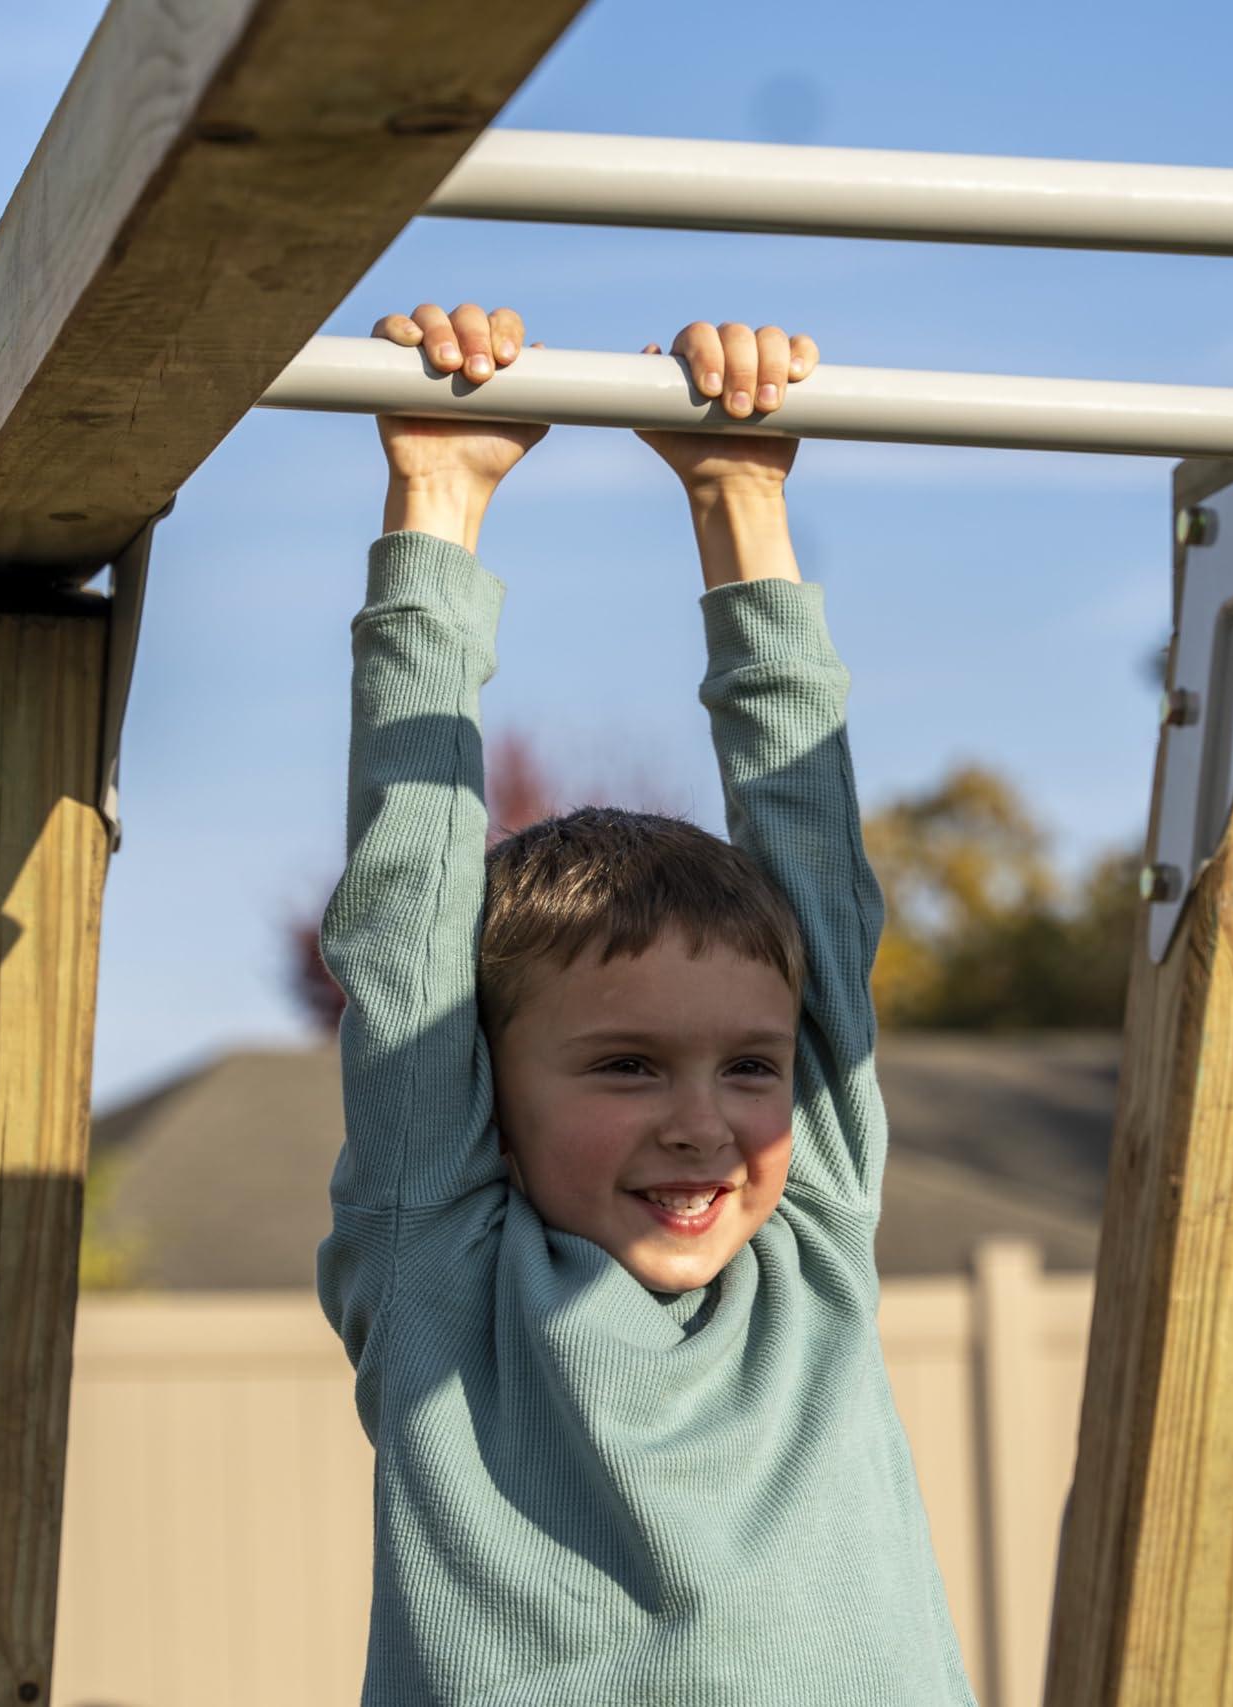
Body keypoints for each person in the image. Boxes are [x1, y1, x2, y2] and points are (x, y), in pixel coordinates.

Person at [314, 300, 977, 1703]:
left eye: (749, 1068)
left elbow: (818, 876)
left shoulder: (809, 1230)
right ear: (489, 1083)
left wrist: (744, 498)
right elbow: (401, 917)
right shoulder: (448, 1271)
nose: (708, 1125)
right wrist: (437, 494)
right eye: (626, 1068)